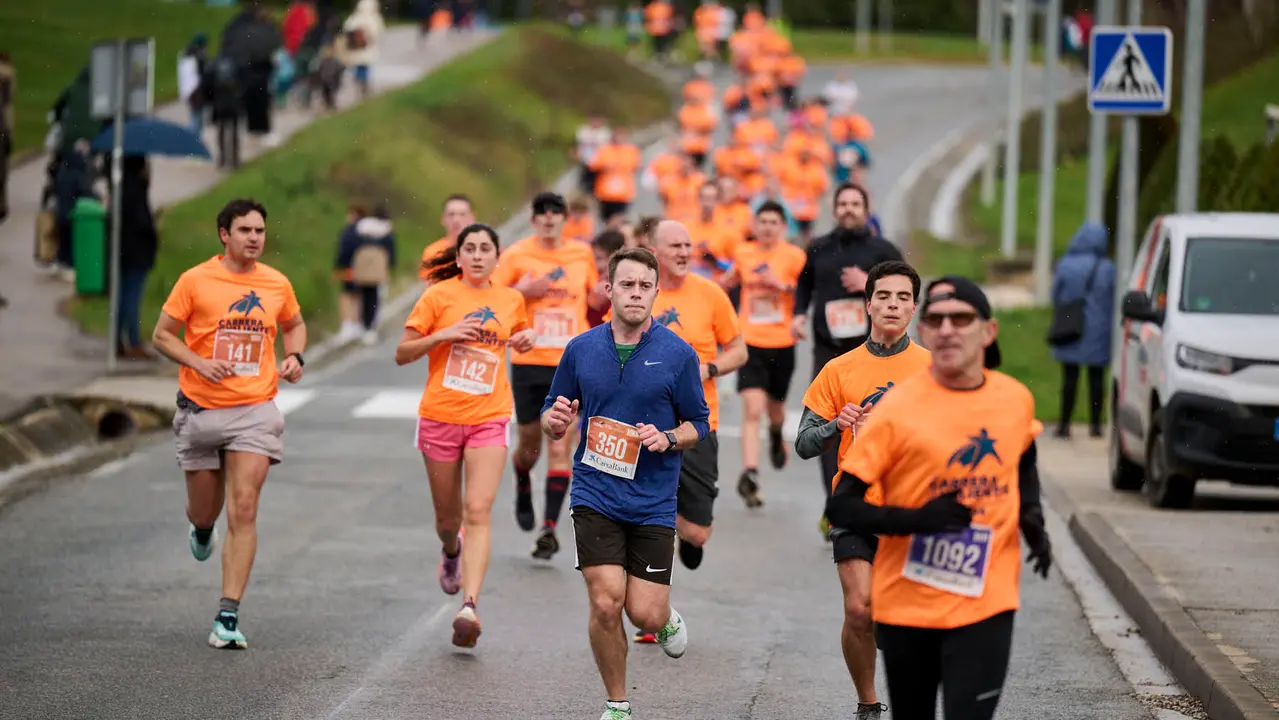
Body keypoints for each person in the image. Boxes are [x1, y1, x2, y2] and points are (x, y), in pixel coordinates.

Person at [824, 275, 1053, 720]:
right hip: (909, 603)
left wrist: (1034, 522)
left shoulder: (1015, 400)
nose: (947, 328)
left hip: (986, 597)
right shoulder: (896, 409)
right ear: (924, 331)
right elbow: (843, 506)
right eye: (937, 319)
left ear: (988, 331)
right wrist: (919, 519)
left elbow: (1024, 459)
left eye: (962, 318)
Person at [541, 246, 707, 720]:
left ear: (657, 291)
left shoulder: (678, 355)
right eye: (627, 285)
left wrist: (670, 436)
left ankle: (666, 618)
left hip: (653, 499)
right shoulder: (580, 349)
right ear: (608, 290)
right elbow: (555, 410)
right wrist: (554, 421)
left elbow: (700, 423)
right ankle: (617, 703)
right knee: (605, 599)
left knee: (645, 615)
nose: (636, 294)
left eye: (644, 286)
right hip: (595, 491)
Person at [151, 198, 307, 649]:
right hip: (201, 409)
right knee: (206, 511)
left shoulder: (276, 283)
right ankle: (202, 528)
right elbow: (162, 335)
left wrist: (295, 356)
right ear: (225, 234)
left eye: (260, 231)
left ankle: (227, 615)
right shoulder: (195, 280)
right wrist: (198, 362)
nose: (254, 238)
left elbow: (294, 325)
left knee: (244, 508)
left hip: (254, 410)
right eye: (245, 231)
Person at [796, 260, 932, 720]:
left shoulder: (933, 370)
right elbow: (803, 443)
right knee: (860, 609)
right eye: (884, 296)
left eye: (902, 297)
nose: (892, 305)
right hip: (856, 508)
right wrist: (837, 423)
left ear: (914, 307)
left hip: (914, 511)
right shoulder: (840, 369)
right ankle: (869, 703)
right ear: (868, 304)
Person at [397, 223, 537, 647]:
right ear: (458, 258)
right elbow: (402, 353)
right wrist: (442, 335)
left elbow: (518, 337)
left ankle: (470, 606)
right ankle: (451, 550)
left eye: (485, 249)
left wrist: (525, 338)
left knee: (479, 509)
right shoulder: (438, 296)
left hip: (489, 415)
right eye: (470, 249)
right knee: (448, 520)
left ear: (497, 258)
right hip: (440, 415)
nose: (477, 255)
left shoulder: (511, 299)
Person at [492, 192, 601, 558]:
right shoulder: (516, 255)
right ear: (533, 218)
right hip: (529, 360)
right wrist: (521, 291)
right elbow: (490, 300)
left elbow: (596, 300)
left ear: (565, 218)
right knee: (530, 446)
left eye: (556, 213)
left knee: (560, 444)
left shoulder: (581, 254)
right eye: (543, 213)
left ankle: (549, 529)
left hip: (570, 362)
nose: (550, 219)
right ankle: (522, 477)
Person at [792, 183, 903, 533]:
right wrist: (798, 315)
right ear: (834, 209)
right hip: (828, 350)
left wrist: (868, 282)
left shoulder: (883, 250)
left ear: (867, 209)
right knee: (828, 427)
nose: (849, 209)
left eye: (856, 203)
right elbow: (804, 285)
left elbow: (904, 290)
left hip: (872, 352)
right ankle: (834, 504)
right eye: (843, 204)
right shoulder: (819, 247)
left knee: (872, 425)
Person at [639, 221, 746, 582]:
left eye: (688, 246)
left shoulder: (710, 293)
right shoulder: (640, 295)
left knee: (698, 531)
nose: (685, 253)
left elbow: (739, 351)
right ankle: (650, 605)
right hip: (647, 424)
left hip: (698, 423)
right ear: (653, 252)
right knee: (650, 511)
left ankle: (684, 533)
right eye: (676, 247)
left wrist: (708, 369)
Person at [723, 201, 806, 507]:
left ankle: (775, 433)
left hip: (783, 343)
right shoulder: (744, 252)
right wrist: (726, 282)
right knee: (752, 409)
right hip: (751, 342)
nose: (768, 227)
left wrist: (780, 286)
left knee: (774, 411)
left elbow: (804, 293)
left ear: (783, 227)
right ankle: (751, 472)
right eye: (763, 222)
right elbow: (732, 280)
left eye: (774, 222)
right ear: (755, 226)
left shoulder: (794, 257)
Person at [1049, 221, 1115, 439]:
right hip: (1098, 330)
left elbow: (1055, 295)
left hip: (1071, 326)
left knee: (1069, 378)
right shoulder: (1107, 268)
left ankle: (1064, 424)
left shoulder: (1065, 265)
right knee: (1096, 379)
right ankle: (1095, 425)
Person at [421, 194, 478, 282]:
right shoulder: (433, 253)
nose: (456, 220)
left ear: (472, 217)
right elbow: (431, 286)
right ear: (443, 219)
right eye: (451, 215)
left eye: (462, 214)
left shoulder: (485, 249)